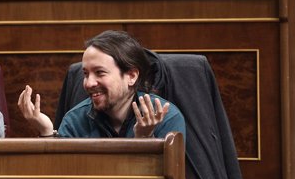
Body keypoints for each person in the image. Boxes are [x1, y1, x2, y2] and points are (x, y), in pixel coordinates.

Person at [18, 30, 185, 139]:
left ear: (131, 76)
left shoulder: (166, 119)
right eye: (85, 74)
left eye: (100, 73)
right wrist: (47, 132)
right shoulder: (74, 121)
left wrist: (145, 140)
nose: (89, 83)